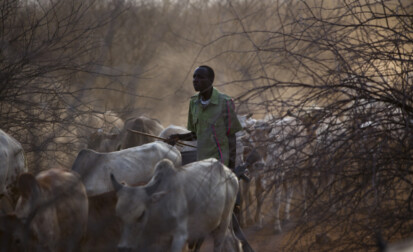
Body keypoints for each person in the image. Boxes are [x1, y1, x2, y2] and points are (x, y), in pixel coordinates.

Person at [167, 65, 243, 170]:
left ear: (211, 80)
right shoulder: (193, 103)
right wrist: (178, 137)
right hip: (201, 164)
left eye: (200, 77)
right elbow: (196, 135)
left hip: (220, 164)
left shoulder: (224, 102)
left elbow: (231, 137)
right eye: (194, 77)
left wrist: (231, 168)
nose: (195, 80)